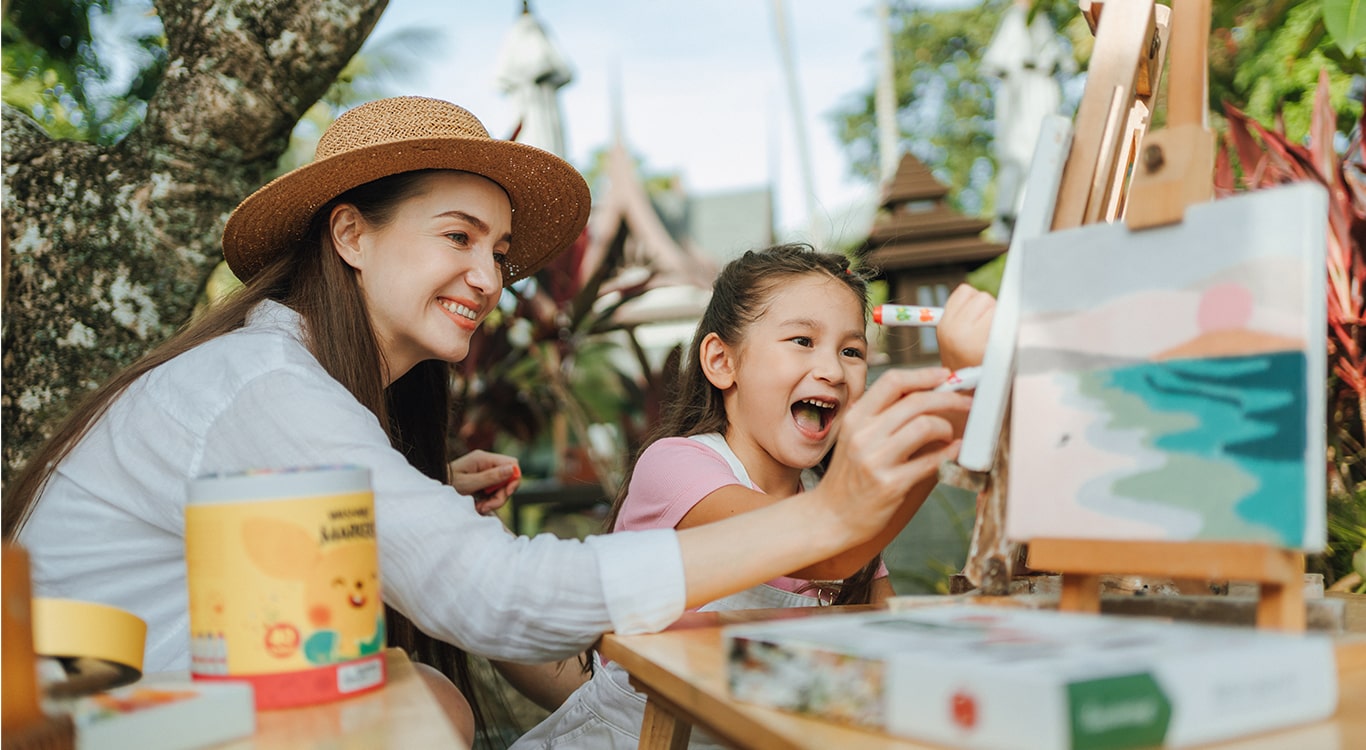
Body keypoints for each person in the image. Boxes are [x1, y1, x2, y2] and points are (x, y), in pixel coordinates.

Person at [3, 96, 972, 744]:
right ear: (351, 231)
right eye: (456, 236)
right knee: (425, 708)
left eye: (497, 252)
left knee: (429, 700)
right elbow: (491, 599)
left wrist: (409, 509)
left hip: (152, 708)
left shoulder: (293, 387)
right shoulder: (266, 386)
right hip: (98, 722)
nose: (485, 276)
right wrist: (829, 516)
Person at [511, 245, 990, 748]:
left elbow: (879, 649)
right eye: (802, 340)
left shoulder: (832, 504)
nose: (831, 368)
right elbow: (830, 548)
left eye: (852, 350)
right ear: (722, 361)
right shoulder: (678, 466)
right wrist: (958, 397)